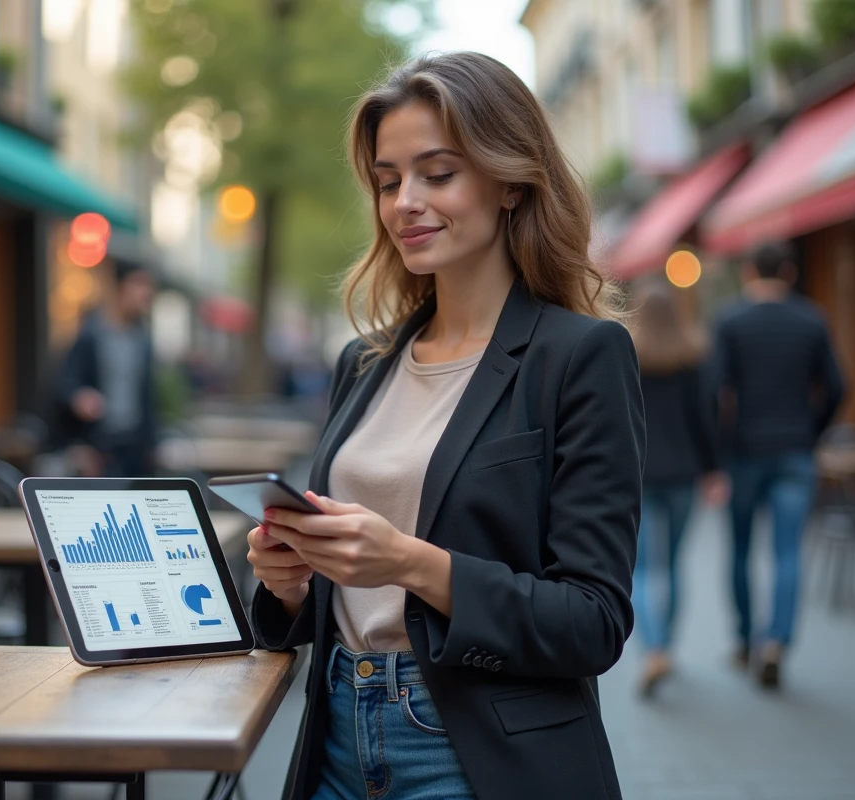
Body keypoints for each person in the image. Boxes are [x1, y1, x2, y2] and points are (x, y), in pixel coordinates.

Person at [245, 52, 645, 800]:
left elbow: (592, 620)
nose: (405, 202)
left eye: (437, 173)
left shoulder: (580, 355)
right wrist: (290, 582)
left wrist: (408, 562)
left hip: (474, 753)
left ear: (510, 183)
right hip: (336, 734)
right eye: (388, 181)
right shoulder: (363, 362)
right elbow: (340, 596)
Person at [715, 241, 845, 688]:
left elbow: (714, 391)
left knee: (740, 550)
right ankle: (776, 643)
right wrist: (812, 430)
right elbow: (837, 386)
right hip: (795, 450)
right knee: (788, 552)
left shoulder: (730, 321)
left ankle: (743, 641)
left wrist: (718, 450)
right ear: (789, 272)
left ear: (748, 271)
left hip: (744, 453)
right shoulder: (812, 320)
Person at [628, 283, 728, 697]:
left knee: (643, 568)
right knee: (672, 564)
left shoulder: (628, 356)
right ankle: (666, 645)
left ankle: (653, 649)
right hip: (684, 473)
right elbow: (706, 417)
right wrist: (714, 469)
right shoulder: (693, 356)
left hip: (639, 474)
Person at [55, 261, 159, 477]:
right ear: (119, 287)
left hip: (135, 446)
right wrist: (80, 397)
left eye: (148, 285)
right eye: (138, 284)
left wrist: (153, 444)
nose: (146, 292)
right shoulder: (91, 334)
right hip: (97, 446)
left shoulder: (142, 340)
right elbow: (66, 384)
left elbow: (147, 397)